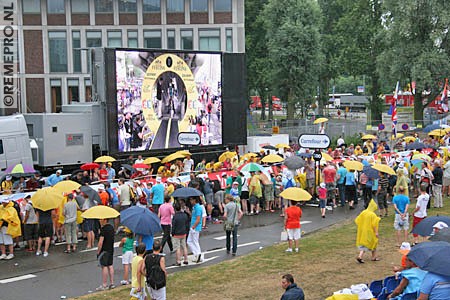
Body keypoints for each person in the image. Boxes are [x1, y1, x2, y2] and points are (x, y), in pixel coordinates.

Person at [96, 218, 115, 291]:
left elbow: (100, 242)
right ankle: (112, 283)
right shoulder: (111, 228)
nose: (99, 220)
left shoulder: (103, 229)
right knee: (110, 265)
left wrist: (98, 252)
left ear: (105, 220)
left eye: (100, 219)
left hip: (104, 250)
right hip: (110, 249)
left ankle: (104, 284)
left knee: (104, 266)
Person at [187, 196, 203, 263]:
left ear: (195, 200)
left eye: (191, 200)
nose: (191, 201)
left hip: (195, 227)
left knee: (194, 241)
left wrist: (193, 227)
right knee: (190, 241)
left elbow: (198, 219)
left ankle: (198, 254)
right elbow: (193, 216)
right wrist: (188, 212)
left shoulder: (198, 208)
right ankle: (197, 254)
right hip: (193, 226)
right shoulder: (194, 208)